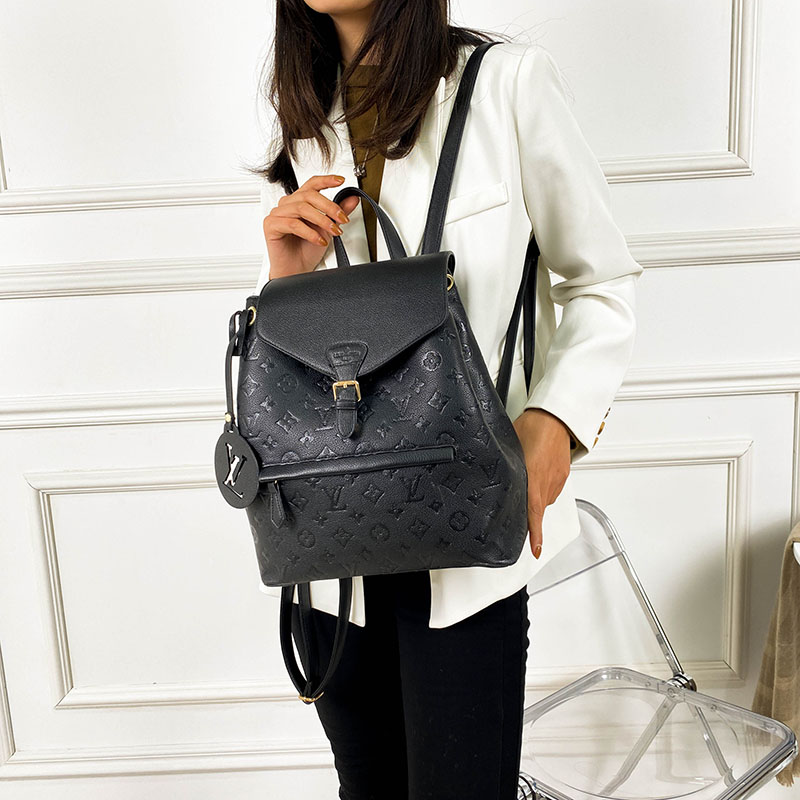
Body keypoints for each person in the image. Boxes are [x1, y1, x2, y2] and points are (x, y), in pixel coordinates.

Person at [246, 2, 643, 798]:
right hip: (332, 547)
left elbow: (601, 283)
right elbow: (309, 355)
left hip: (467, 532)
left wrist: (554, 422)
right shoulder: (306, 117)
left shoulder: (507, 86)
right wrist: (285, 278)